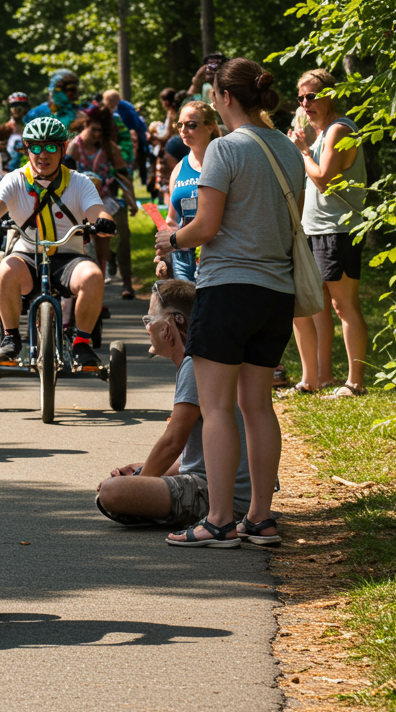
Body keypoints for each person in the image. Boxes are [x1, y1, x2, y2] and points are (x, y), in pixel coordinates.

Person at [156, 57, 304, 548]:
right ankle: (260, 518)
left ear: (222, 98)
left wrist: (172, 241)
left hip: (227, 288)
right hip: (276, 292)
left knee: (217, 408)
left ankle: (218, 520)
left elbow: (206, 227)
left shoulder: (224, 149)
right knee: (257, 407)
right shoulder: (287, 148)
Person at [95, 280, 253, 530]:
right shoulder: (198, 359)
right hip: (218, 489)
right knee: (119, 485)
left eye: (150, 320)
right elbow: (194, 460)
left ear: (174, 322)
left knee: (111, 493)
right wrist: (142, 471)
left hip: (220, 498)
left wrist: (139, 484)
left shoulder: (194, 364)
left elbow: (173, 442)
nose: (147, 328)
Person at [0, 117, 114, 370]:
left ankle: (81, 341)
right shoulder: (14, 180)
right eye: (35, 147)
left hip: (69, 257)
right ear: (27, 149)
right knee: (5, 269)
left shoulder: (79, 182)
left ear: (63, 148)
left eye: (51, 147)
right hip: (26, 256)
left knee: (93, 275)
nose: (43, 154)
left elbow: (97, 211)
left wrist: (104, 221)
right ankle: (11, 338)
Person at [288, 68, 368, 398]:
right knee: (314, 305)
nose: (306, 103)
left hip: (339, 230)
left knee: (344, 306)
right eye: (301, 97)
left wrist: (304, 151)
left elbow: (322, 179)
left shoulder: (339, 130)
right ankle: (317, 378)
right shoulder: (321, 132)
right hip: (314, 231)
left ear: (330, 95)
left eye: (312, 96)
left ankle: (355, 382)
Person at [67, 113, 138, 298]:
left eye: (102, 131)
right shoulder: (74, 147)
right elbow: (65, 173)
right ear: (86, 124)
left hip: (105, 200)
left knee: (117, 239)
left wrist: (131, 200)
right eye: (95, 129)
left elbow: (123, 173)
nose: (98, 134)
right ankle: (83, 290)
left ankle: (126, 285)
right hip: (79, 202)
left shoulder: (108, 146)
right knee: (82, 244)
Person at [160, 101, 220, 282]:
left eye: (191, 125)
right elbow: (171, 220)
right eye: (180, 125)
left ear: (210, 127)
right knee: (186, 309)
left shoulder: (222, 163)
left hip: (216, 254)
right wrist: (164, 255)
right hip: (182, 258)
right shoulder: (179, 168)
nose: (183, 130)